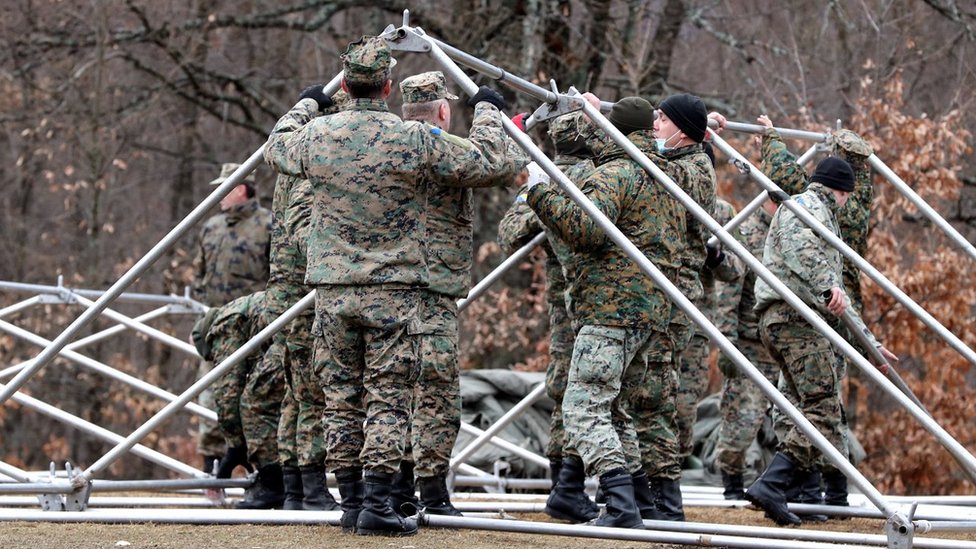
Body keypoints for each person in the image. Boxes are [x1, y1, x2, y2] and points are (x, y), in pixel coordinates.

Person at [263, 36, 521, 536]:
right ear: (386, 87)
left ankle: (353, 502)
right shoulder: (413, 139)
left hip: (333, 291)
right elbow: (491, 163)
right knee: (387, 395)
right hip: (393, 290)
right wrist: (487, 109)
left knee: (341, 398)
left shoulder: (317, 135)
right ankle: (379, 503)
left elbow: (276, 148)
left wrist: (308, 102)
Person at [525, 95, 685, 529]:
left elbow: (584, 229)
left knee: (582, 407)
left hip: (610, 307)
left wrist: (536, 188)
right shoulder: (664, 175)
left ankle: (618, 503)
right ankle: (638, 501)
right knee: (614, 409)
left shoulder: (617, 173)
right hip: (648, 311)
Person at [746, 157, 897, 526]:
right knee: (824, 412)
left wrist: (868, 342)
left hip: (786, 319)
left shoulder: (814, 211)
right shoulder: (807, 206)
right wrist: (826, 285)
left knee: (804, 407)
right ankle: (774, 483)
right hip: (796, 319)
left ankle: (791, 490)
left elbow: (838, 297)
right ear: (842, 191)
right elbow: (808, 256)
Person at [390, 70, 501, 518]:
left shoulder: (383, 142)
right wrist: (489, 112)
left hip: (383, 286)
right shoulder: (440, 145)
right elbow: (493, 161)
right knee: (436, 392)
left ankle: (391, 487)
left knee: (388, 389)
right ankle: (431, 491)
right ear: (442, 110)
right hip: (431, 289)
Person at [497, 111, 598, 523]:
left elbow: (510, 231)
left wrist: (542, 208)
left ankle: (566, 485)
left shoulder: (549, 180)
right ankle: (570, 486)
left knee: (566, 389)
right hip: (592, 301)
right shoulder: (602, 176)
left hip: (566, 303)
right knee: (592, 391)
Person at [632, 92, 716, 522]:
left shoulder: (689, 170)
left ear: (682, 131)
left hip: (671, 300)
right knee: (648, 397)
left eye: (661, 120)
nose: (654, 127)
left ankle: (665, 499)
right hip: (664, 296)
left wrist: (621, 126)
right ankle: (652, 496)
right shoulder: (687, 160)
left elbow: (646, 165)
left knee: (655, 399)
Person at [191, 163, 272, 473]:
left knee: (255, 401)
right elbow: (200, 276)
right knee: (210, 401)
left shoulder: (268, 225)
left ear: (240, 189)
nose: (219, 195)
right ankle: (211, 476)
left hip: (254, 328)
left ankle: (261, 473)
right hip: (216, 328)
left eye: (225, 188)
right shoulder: (212, 228)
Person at [712, 197, 780, 500]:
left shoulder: (786, 233)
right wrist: (727, 345)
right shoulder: (748, 232)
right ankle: (732, 483)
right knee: (742, 416)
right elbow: (728, 293)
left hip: (779, 343)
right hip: (749, 343)